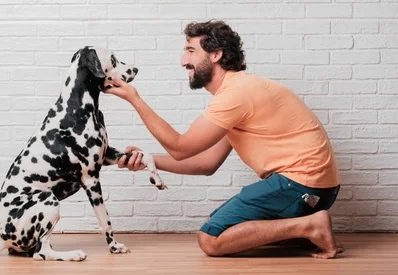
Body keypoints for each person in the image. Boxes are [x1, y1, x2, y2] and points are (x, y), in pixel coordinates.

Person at [104, 20, 343, 259]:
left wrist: (135, 99)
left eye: (190, 51)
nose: (183, 61)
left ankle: (310, 226)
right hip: (318, 188)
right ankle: (305, 228)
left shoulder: (235, 94)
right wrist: (148, 160)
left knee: (211, 238)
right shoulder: (241, 89)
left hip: (300, 185)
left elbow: (180, 148)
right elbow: (208, 163)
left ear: (216, 54)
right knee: (217, 224)